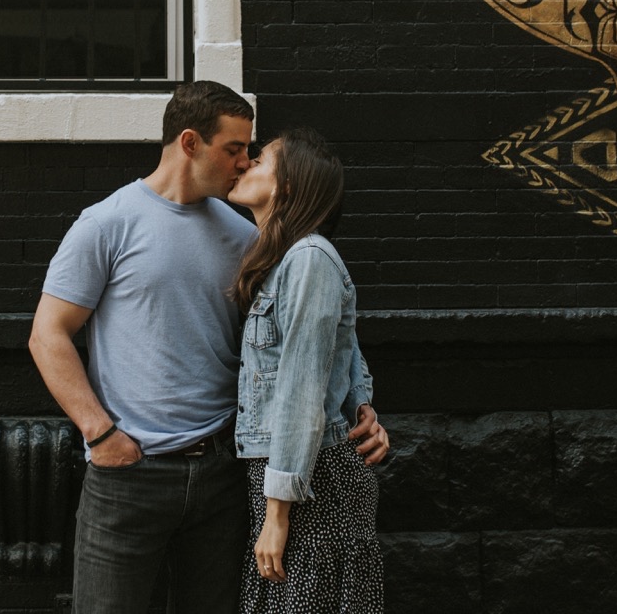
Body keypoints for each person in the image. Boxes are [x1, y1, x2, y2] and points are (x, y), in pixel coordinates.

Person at [29, 83, 386, 614]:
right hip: (131, 474)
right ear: (190, 142)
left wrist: (357, 401)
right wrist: (100, 434)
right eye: (235, 149)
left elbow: (317, 333)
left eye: (251, 152)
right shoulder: (107, 223)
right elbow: (47, 334)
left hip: (224, 474)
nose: (244, 163)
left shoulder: (246, 236)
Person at [227, 127, 385, 614]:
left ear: (288, 186)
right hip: (291, 477)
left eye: (261, 159)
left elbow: (300, 388)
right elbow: (344, 345)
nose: (248, 161)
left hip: (311, 483)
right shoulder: (284, 259)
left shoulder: (309, 259)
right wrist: (361, 400)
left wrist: (278, 516)